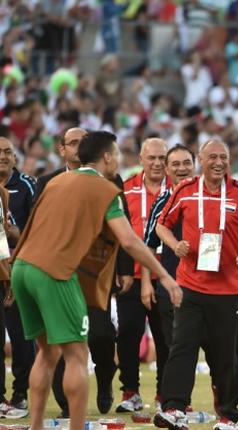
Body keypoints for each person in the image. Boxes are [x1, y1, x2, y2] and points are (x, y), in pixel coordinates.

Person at [11, 130, 182, 430]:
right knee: (77, 355)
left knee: (47, 353)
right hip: (55, 272)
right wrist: (165, 276)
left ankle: (36, 426)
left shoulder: (55, 181)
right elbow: (129, 241)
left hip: (23, 267)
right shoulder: (105, 189)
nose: (118, 160)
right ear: (106, 157)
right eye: (116, 154)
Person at [153, 139, 238, 430]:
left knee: (227, 358)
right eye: (212, 157)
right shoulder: (185, 190)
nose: (218, 162)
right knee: (181, 348)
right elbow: (162, 224)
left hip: (229, 290)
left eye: (224, 157)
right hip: (191, 286)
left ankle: (228, 416)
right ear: (200, 161)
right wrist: (174, 244)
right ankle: (174, 409)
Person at [39, 128, 127, 418]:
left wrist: (124, 269)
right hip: (58, 273)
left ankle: (104, 378)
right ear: (61, 150)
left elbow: (123, 232)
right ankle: (66, 405)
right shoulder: (48, 182)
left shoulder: (113, 182)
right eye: (72, 142)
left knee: (101, 336)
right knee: (60, 341)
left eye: (82, 142)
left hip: (96, 273)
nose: (78, 147)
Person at [117, 138, 172, 413]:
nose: (157, 163)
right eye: (151, 157)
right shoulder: (125, 190)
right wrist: (121, 269)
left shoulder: (176, 190)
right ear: (141, 158)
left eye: (162, 157)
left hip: (165, 275)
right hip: (131, 275)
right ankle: (130, 391)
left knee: (165, 337)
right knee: (127, 333)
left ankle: (165, 394)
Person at [140, 144, 196, 411]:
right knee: (172, 347)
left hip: (209, 287)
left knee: (216, 346)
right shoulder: (162, 202)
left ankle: (222, 400)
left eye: (187, 163)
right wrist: (146, 283)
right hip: (172, 285)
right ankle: (174, 401)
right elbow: (148, 245)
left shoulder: (210, 197)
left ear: (195, 165)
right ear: (167, 168)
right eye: (176, 164)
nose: (182, 168)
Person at [0, 137, 35, 419]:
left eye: (7, 151)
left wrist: (16, 236)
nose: (2, 156)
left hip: (19, 269)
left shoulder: (26, 186)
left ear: (15, 157)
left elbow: (39, 231)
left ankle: (21, 393)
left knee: (23, 337)